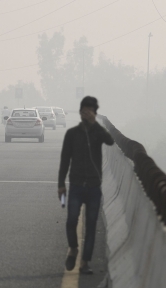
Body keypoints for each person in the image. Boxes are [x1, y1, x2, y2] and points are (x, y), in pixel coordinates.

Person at [58, 96, 113, 275]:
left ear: (94, 113)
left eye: (89, 111)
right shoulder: (72, 134)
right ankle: (73, 248)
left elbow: (110, 141)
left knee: (90, 225)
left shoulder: (98, 133)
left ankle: (85, 262)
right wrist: (61, 185)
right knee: (71, 220)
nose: (85, 113)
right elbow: (65, 160)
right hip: (75, 186)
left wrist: (95, 124)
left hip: (94, 187)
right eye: (83, 110)